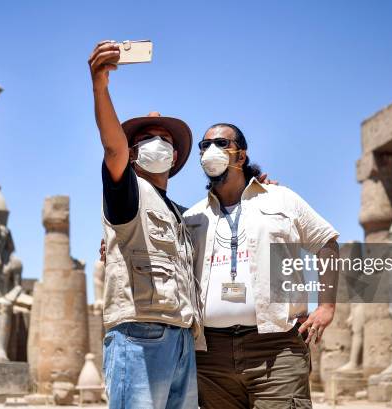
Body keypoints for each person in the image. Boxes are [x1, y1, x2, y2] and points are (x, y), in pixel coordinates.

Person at [183, 123, 340, 409]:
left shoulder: (282, 198)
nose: (210, 151)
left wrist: (326, 305)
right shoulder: (193, 217)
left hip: (276, 347)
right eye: (204, 146)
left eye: (220, 143)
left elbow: (326, 242)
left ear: (241, 156)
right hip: (209, 354)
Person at [89, 40, 202, 409]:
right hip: (140, 334)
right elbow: (112, 150)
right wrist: (100, 88)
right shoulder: (128, 192)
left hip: (183, 338)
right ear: (133, 151)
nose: (159, 144)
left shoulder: (181, 214)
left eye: (166, 140)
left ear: (175, 156)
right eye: (148, 139)